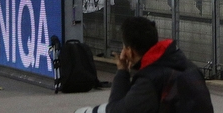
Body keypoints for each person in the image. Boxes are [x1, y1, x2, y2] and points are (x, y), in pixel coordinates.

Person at [74, 16, 213, 113]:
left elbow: (118, 110)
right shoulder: (187, 66)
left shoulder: (151, 79)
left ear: (129, 51)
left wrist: (122, 71)